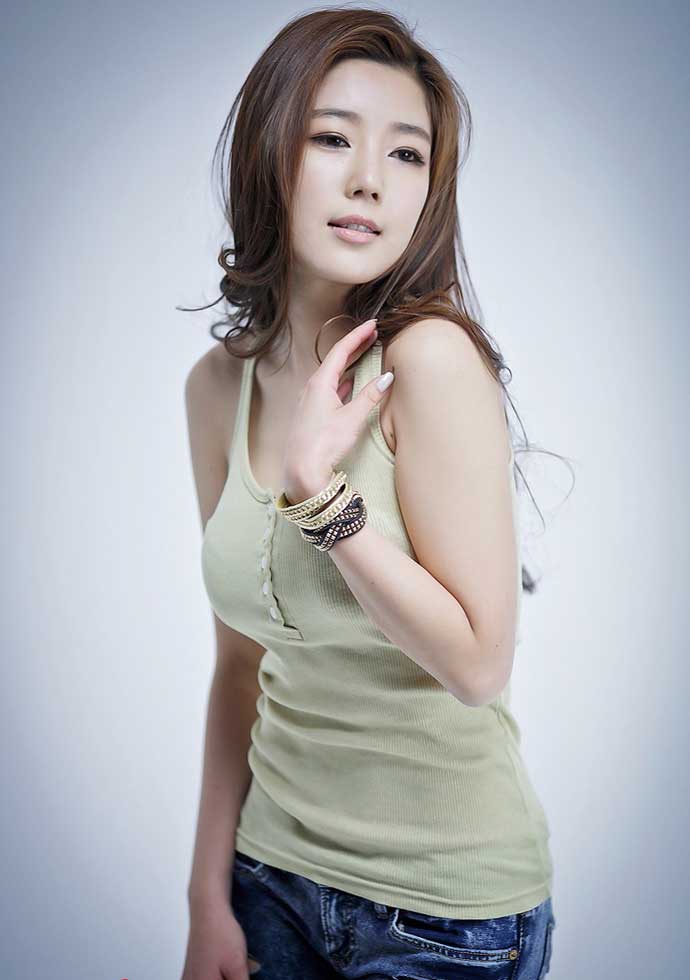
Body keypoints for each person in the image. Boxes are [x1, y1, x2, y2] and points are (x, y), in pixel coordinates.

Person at [180, 8, 557, 980]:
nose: (369, 181)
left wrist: (322, 502)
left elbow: (478, 664)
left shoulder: (428, 362)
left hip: (442, 918)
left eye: (406, 153)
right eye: (333, 138)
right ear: (270, 155)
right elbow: (238, 665)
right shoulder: (218, 386)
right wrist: (206, 895)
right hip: (269, 878)